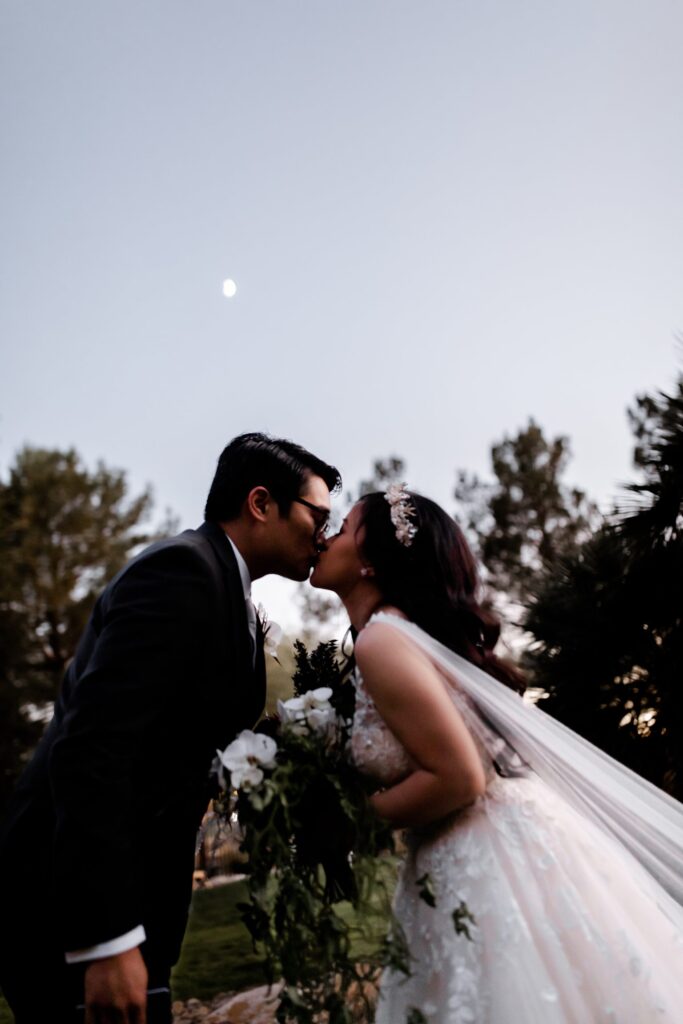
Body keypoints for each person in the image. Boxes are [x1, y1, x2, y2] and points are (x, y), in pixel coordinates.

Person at [0, 432, 340, 1024]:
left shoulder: (229, 591)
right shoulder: (182, 572)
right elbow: (90, 750)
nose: (325, 535)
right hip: (69, 916)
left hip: (142, 900)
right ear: (261, 504)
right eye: (318, 516)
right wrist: (105, 939)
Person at [310, 485, 683, 1023]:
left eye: (343, 529)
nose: (327, 537)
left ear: (370, 560)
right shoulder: (397, 635)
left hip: (488, 854)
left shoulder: (382, 642)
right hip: (485, 841)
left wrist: (348, 823)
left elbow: (461, 778)